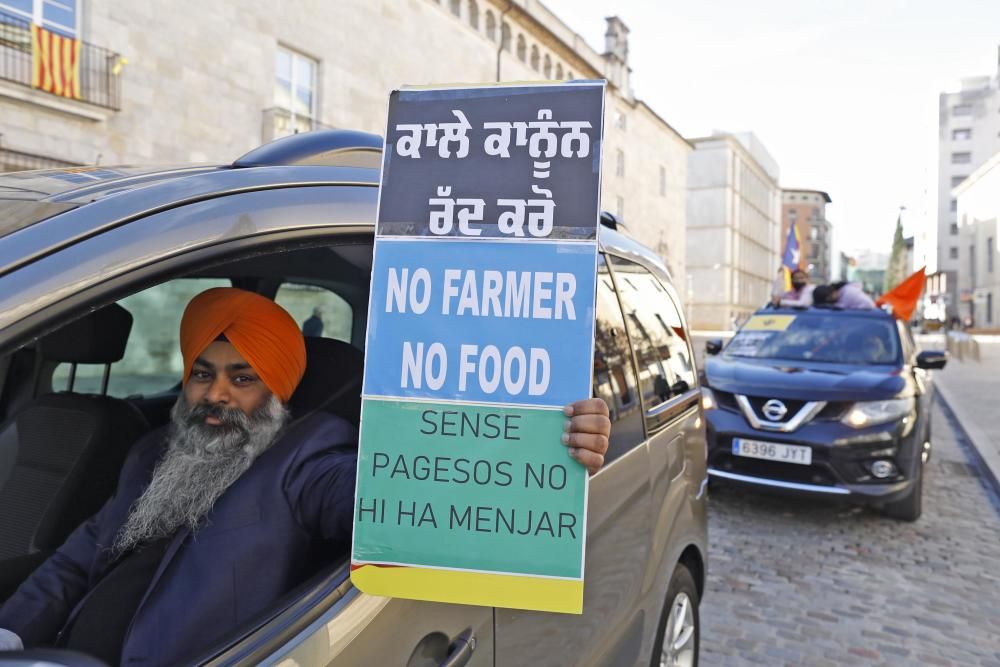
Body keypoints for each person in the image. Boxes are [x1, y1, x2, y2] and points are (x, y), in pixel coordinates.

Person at [0, 288, 611, 664]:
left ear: (278, 387)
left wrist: (543, 453)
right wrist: (13, 635)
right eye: (202, 373)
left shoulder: (307, 457)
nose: (216, 394)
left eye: (244, 377)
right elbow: (78, 560)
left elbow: (392, 499)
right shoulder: (154, 450)